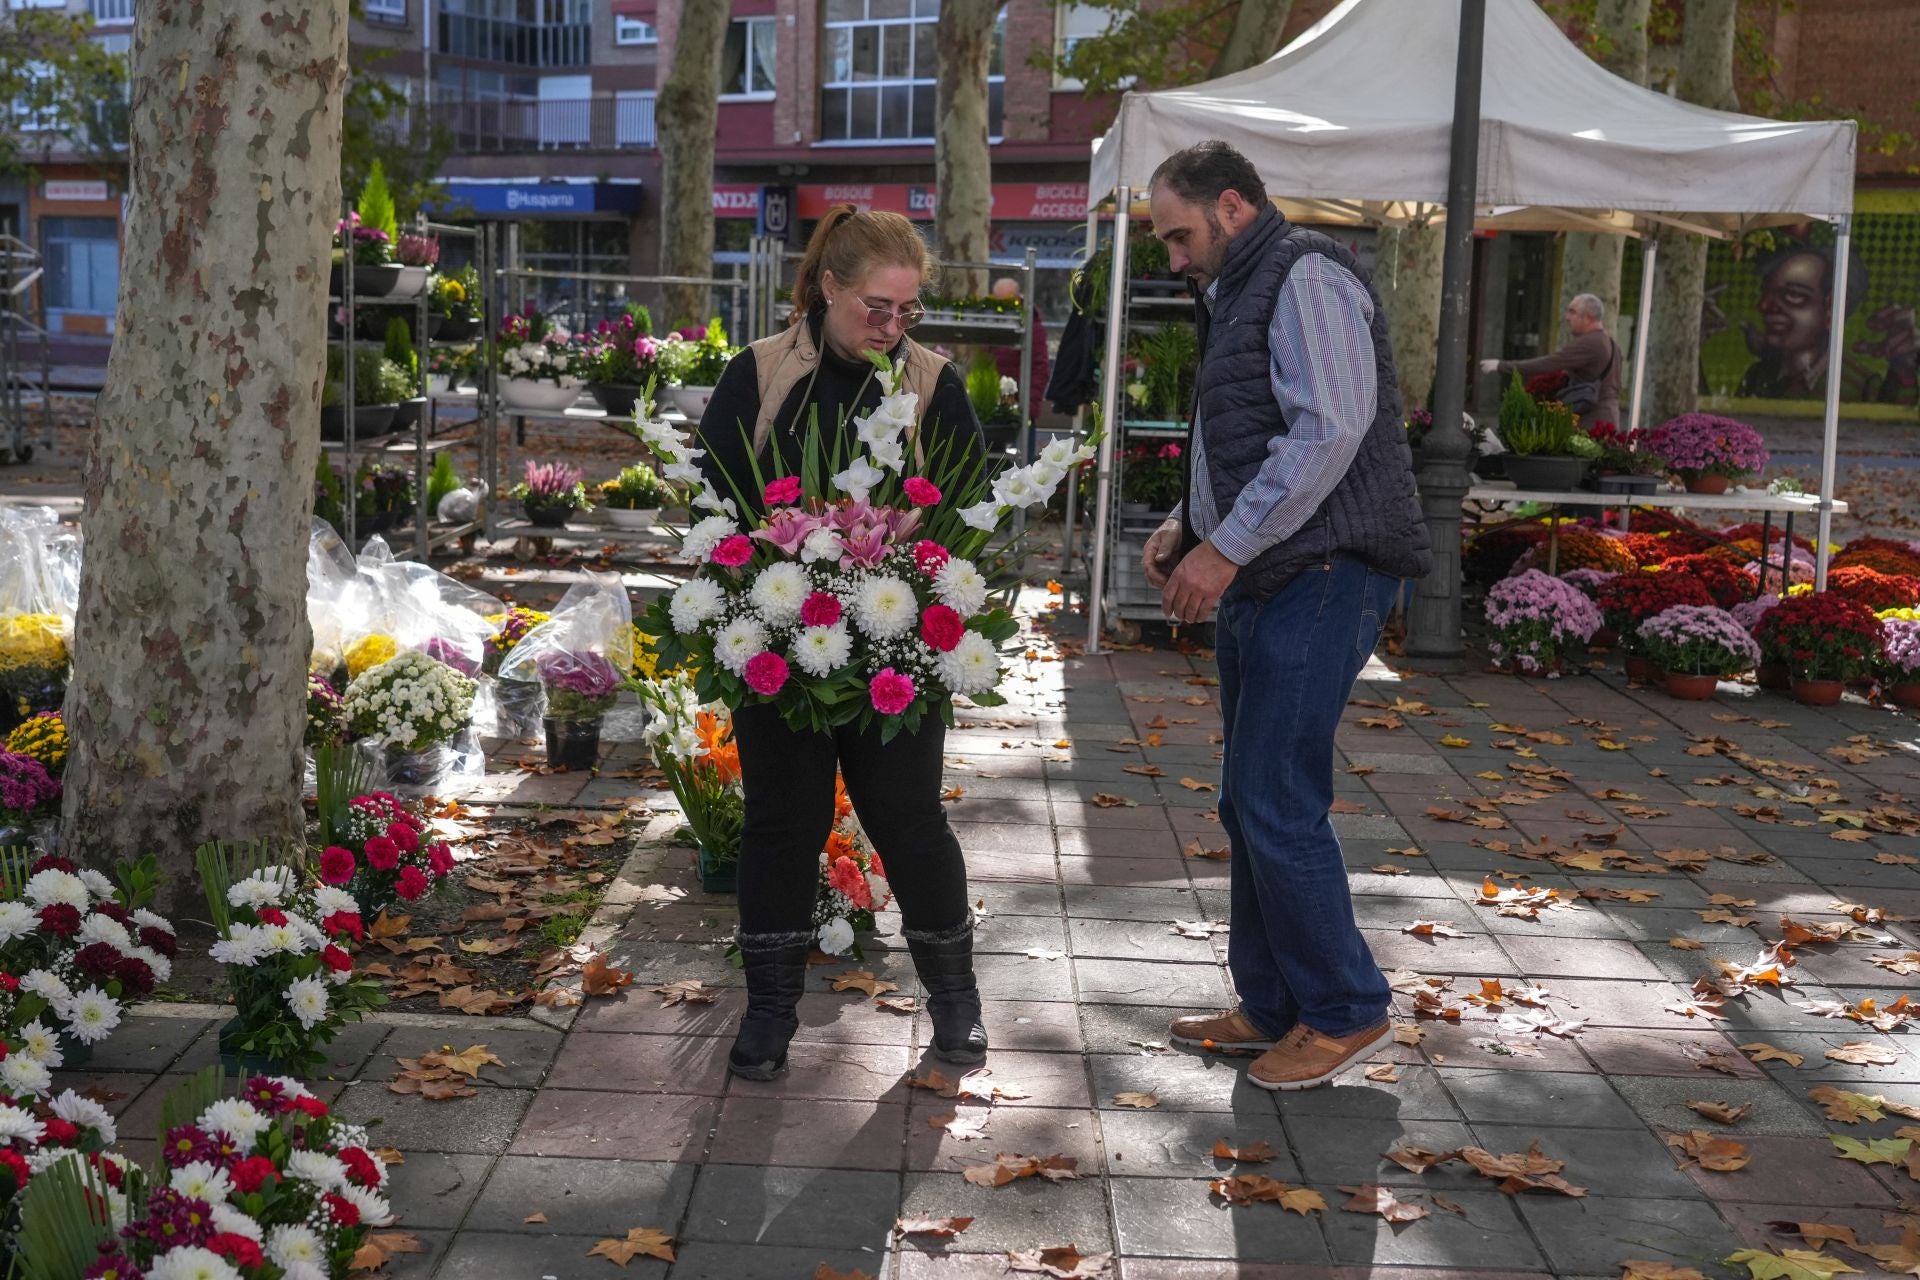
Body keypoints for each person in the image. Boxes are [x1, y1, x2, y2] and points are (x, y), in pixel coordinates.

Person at [1141, 142, 1431, 1091]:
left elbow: (1330, 428)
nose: (1174, 258)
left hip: (1323, 573)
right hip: (1278, 572)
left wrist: (1221, 551)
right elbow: (1251, 431)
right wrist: (1190, 523)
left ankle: (1346, 1008)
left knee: (1274, 798)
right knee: (1249, 797)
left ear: (1231, 206)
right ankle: (1271, 1004)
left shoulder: (1305, 271)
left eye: (1180, 235)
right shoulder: (1240, 285)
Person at [695, 205, 989, 1081]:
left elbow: (968, 505)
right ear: (827, 288)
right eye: (875, 308)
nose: (892, 329)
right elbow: (712, 505)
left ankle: (957, 1004)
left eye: (908, 312)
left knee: (908, 821)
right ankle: (772, 1011)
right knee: (782, 824)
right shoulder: (757, 374)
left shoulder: (933, 383)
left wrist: (921, 545)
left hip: (896, 647)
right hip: (780, 639)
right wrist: (767, 556)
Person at [1734, 242, 1916, 407]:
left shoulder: (1863, 385)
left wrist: (1904, 371)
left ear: (1831, 308)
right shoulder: (1758, 376)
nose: (1765, 306)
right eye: (1766, 293)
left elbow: (1892, 429)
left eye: (1794, 295)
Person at [1478, 293, 1620, 428]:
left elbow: (1548, 364)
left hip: (1592, 421)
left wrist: (1501, 366)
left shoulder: (1590, 343)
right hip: (1607, 417)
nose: (1567, 317)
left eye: (1572, 312)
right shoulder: (1610, 343)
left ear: (1588, 318)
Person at [988, 276, 1051, 421]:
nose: (1002, 307)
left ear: (1018, 299)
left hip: (1021, 405)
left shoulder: (1032, 327)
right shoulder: (991, 324)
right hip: (992, 403)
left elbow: (1040, 369)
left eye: (1008, 302)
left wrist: (1029, 406)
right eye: (997, 301)